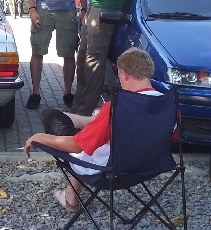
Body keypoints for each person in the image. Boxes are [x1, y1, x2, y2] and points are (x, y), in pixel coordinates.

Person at [24, 47, 162, 211]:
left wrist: (39, 138)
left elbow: (76, 146)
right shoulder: (167, 105)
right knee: (77, 121)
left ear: (124, 74)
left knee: (50, 116)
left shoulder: (117, 108)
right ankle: (70, 193)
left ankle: (71, 194)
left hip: (106, 172)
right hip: (147, 168)